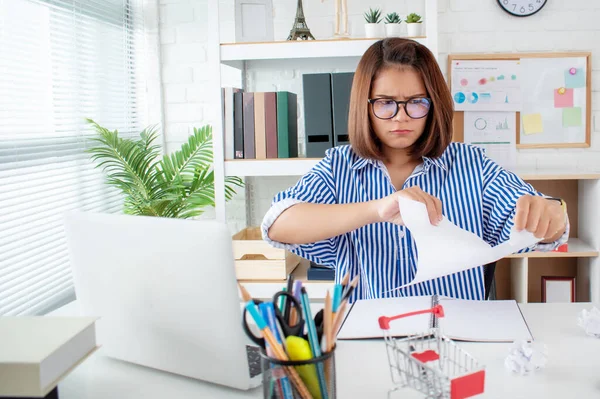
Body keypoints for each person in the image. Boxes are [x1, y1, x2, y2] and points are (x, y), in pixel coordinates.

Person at [260, 38, 569, 302]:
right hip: (369, 336)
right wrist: (377, 209)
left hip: (455, 337)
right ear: (364, 106)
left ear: (434, 104)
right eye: (385, 103)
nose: (400, 117)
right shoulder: (339, 167)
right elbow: (277, 225)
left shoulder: (472, 165)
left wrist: (552, 213)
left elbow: (545, 222)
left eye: (416, 102)